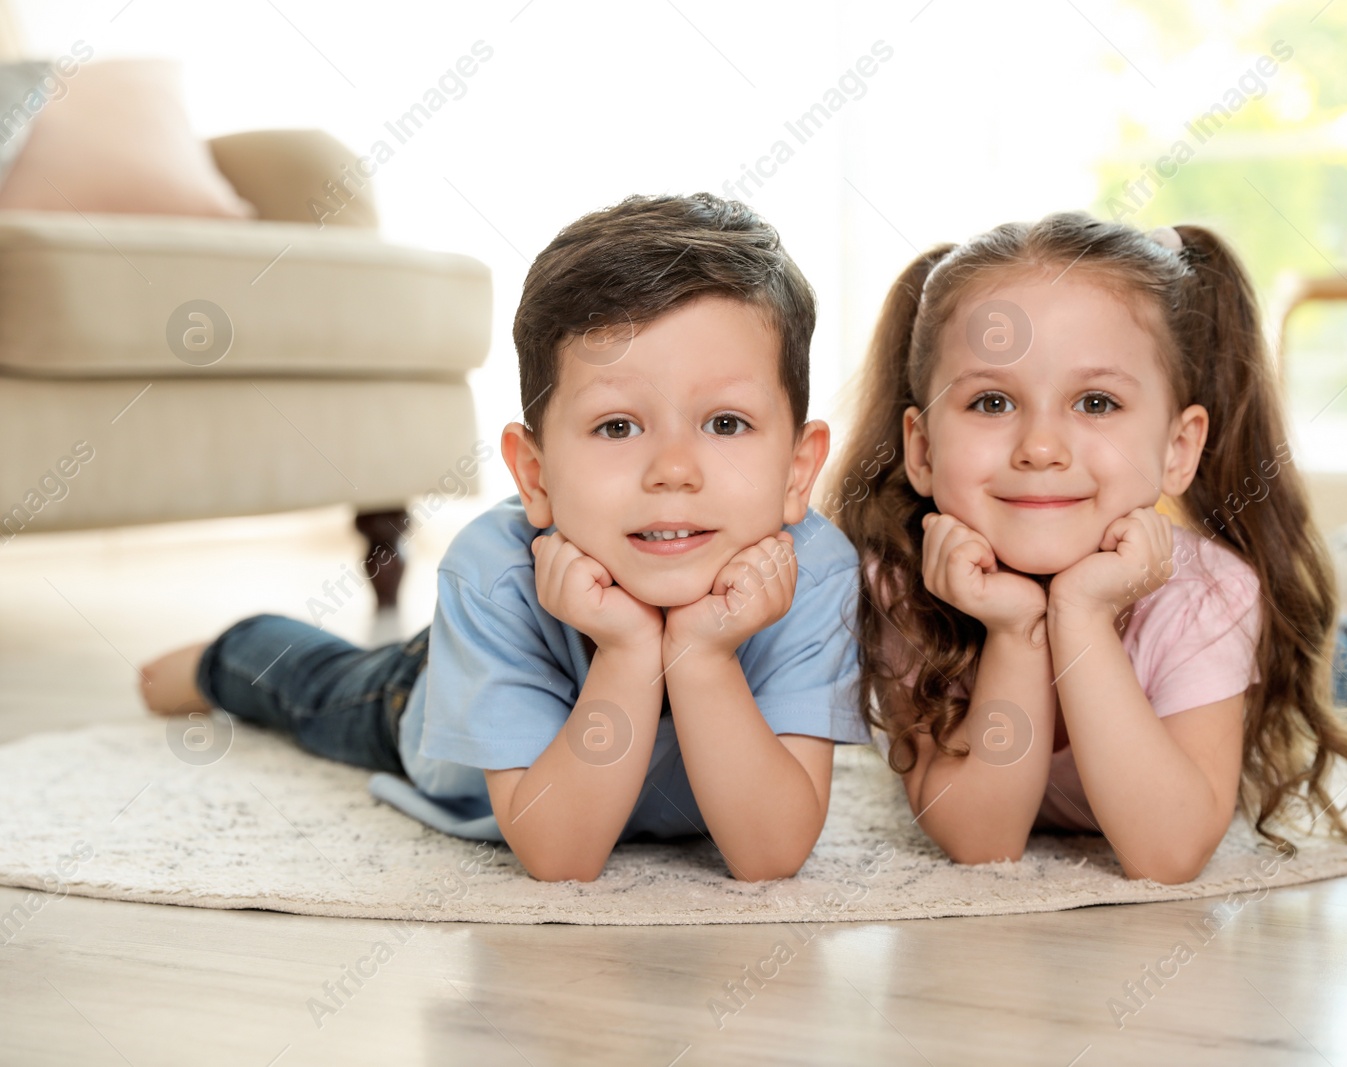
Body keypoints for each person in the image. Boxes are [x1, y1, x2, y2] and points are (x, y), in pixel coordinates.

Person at [138, 193, 868, 883]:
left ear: (798, 470)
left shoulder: (815, 569)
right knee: (319, 692)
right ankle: (226, 655)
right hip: (420, 695)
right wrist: (627, 650)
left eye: (725, 423)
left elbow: (771, 854)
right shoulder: (495, 573)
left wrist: (701, 656)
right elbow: (560, 857)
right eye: (618, 426)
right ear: (535, 474)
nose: (673, 470)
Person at [825, 213, 1347, 884]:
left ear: (1177, 448)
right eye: (991, 402)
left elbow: (1169, 852)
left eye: (1096, 403)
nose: (1041, 447)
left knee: (1343, 670)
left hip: (1241, 665)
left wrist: (1082, 615)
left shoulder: (1208, 593)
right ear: (921, 450)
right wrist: (1017, 630)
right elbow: (982, 840)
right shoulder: (906, 579)